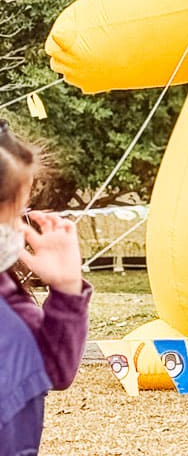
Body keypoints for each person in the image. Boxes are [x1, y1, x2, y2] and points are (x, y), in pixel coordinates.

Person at [0, 120, 92, 456]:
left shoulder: (9, 295)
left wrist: (67, 290)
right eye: (12, 211)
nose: (18, 225)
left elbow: (53, 371)